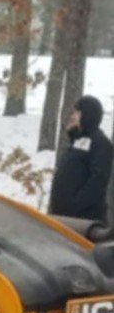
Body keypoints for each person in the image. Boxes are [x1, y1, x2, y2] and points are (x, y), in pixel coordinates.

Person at [49, 95, 113, 224]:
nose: (73, 116)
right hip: (62, 215)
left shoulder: (100, 143)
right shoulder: (77, 140)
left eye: (78, 112)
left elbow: (99, 180)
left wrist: (75, 203)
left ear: (88, 114)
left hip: (83, 219)